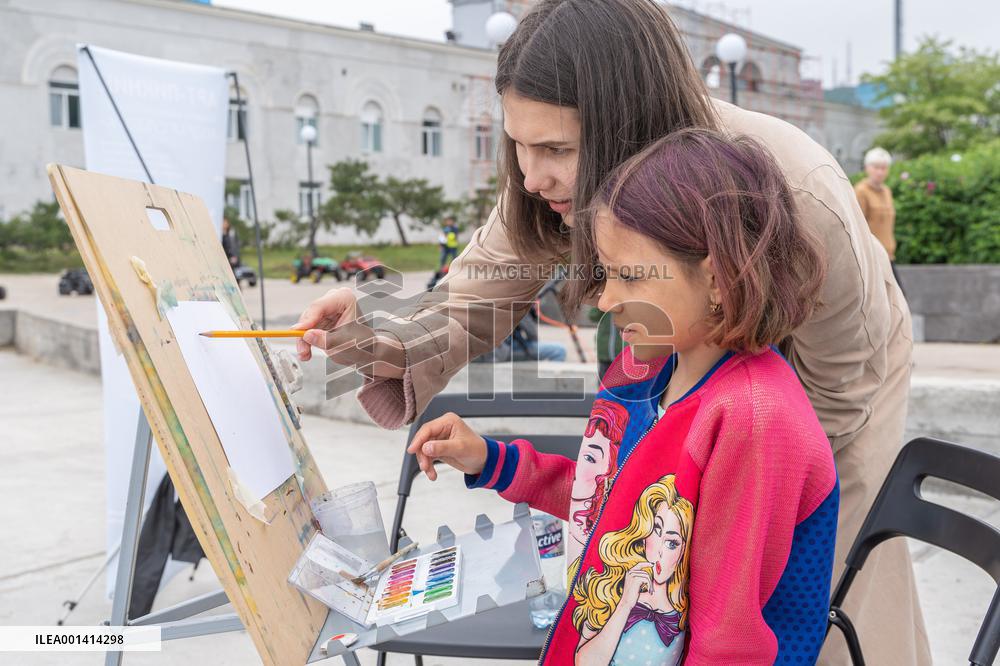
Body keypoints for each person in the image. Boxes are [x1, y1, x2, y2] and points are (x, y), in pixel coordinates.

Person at [294, 2, 927, 662]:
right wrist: (370, 339)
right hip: (703, 377)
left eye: (556, 150)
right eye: (519, 144)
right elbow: (471, 302)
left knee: (811, 593)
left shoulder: (801, 192)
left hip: (830, 390)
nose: (533, 176)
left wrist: (737, 495)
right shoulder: (554, 183)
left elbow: (831, 411)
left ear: (625, 123)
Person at [406, 130, 840, 663]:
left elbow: (730, 638)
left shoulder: (752, 420)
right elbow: (610, 507)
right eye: (606, 274)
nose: (607, 300)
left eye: (631, 276)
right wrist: (491, 460)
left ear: (719, 278)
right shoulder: (652, 369)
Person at [855, 147, 902, 288]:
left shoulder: (887, 191)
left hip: (889, 255)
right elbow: (857, 226)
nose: (880, 172)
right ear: (867, 168)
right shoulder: (860, 191)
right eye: (876, 167)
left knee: (896, 300)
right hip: (872, 257)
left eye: (884, 168)